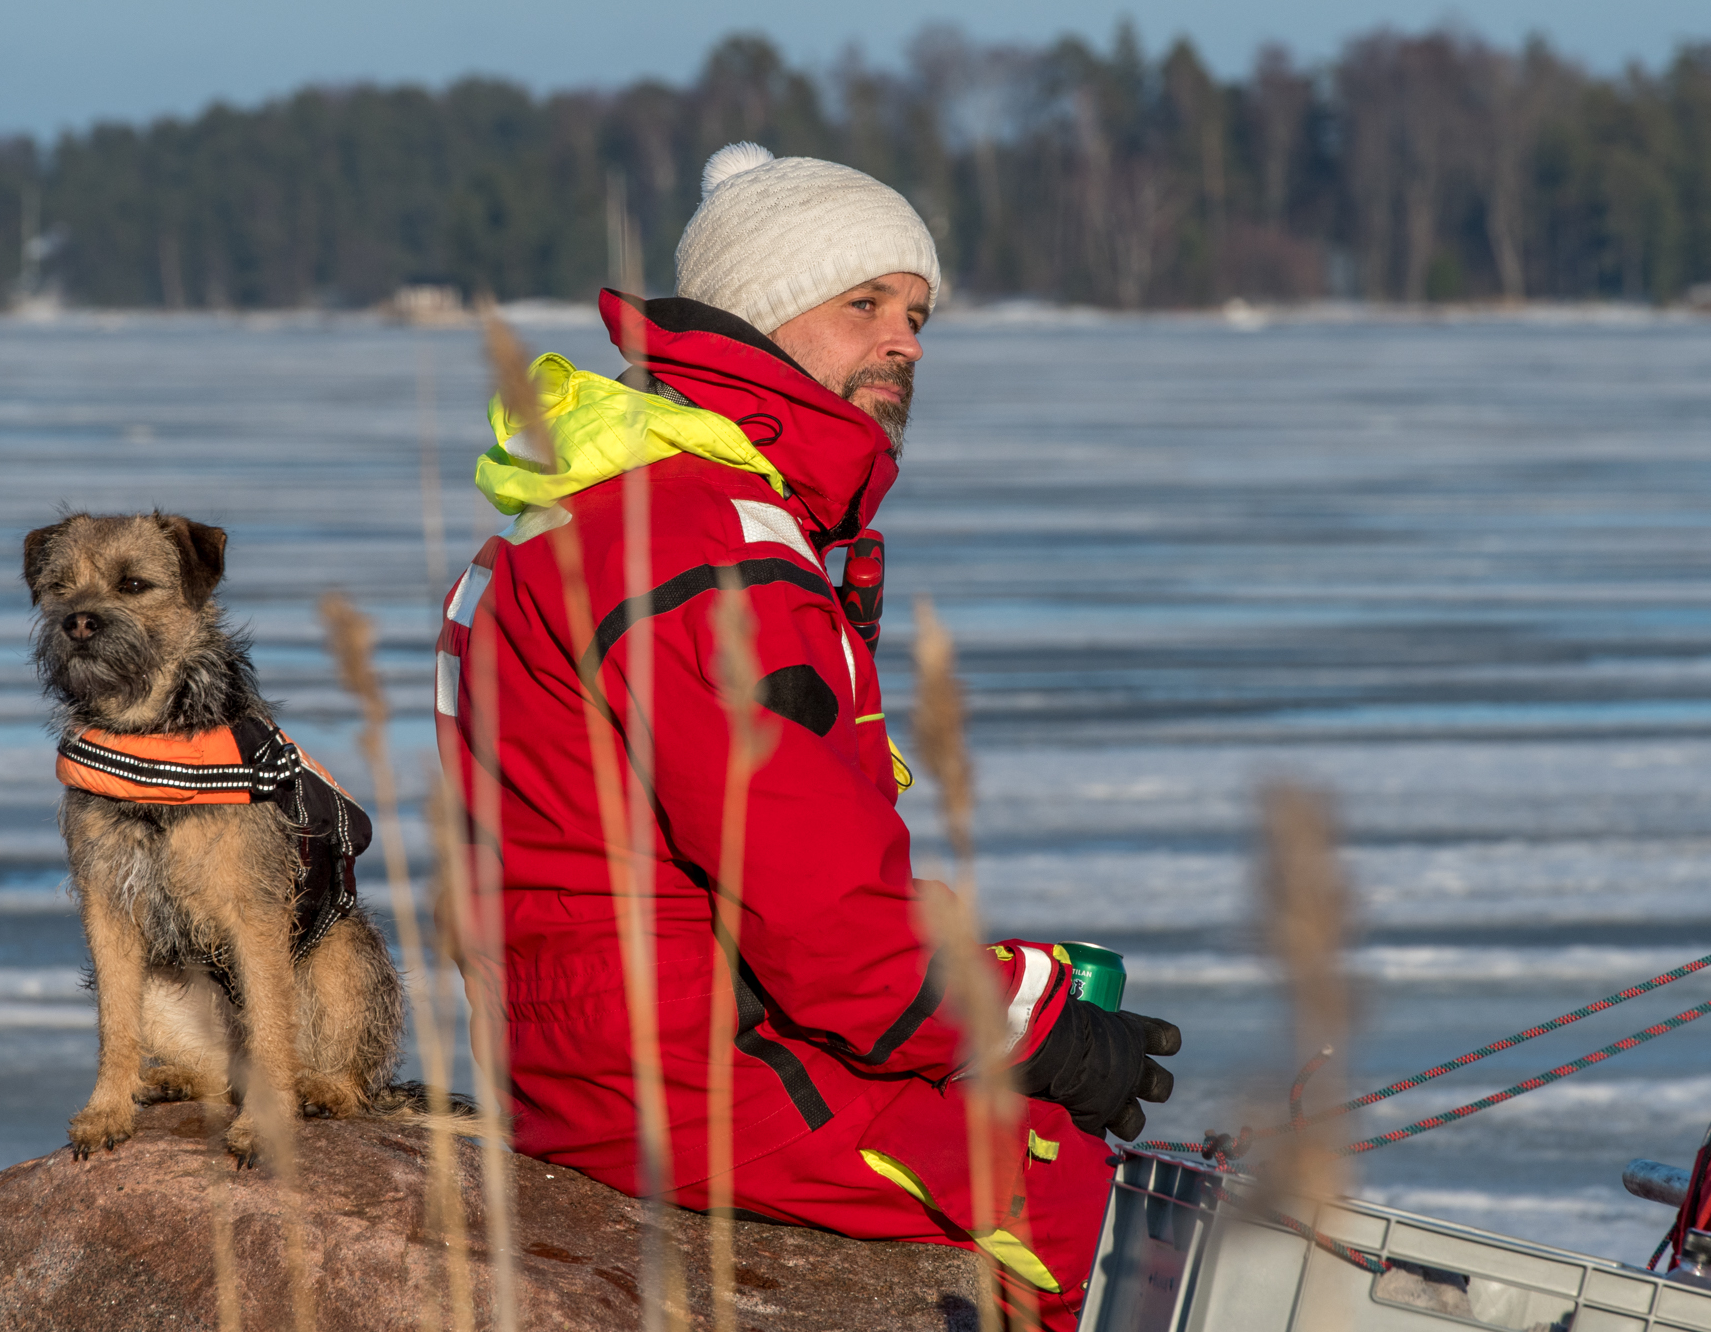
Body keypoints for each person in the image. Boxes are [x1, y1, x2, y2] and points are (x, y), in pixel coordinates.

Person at [435, 143, 1180, 1328]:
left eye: (916, 313)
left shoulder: (618, 504)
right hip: (676, 1065)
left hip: (600, 1036)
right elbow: (825, 930)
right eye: (863, 306)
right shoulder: (706, 547)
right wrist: (1033, 1026)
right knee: (1062, 1197)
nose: (906, 342)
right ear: (760, 315)